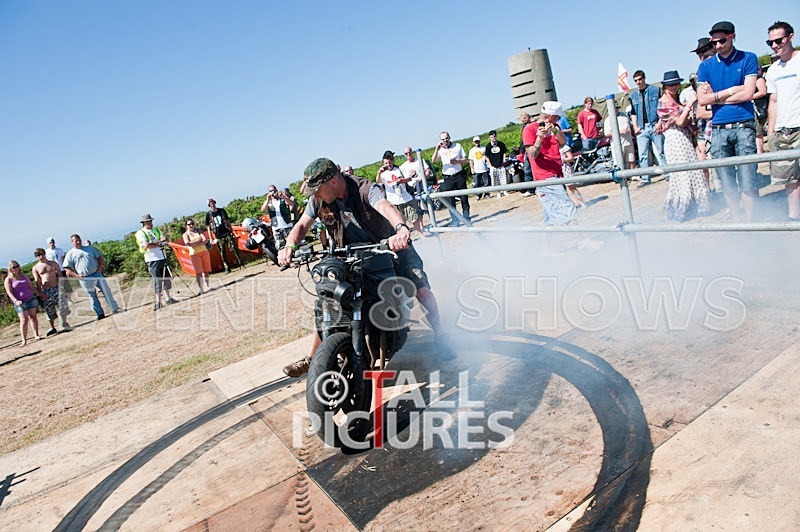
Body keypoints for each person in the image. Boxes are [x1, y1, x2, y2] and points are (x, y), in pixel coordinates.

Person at [277, 158, 449, 377]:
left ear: (332, 182)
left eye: (317, 190)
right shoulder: (318, 200)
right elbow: (302, 224)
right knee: (328, 300)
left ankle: (441, 335)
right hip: (349, 257)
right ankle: (312, 358)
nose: (315, 195)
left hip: (389, 249)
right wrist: (290, 245)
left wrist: (401, 229)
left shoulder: (364, 189)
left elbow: (385, 206)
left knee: (421, 289)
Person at [697, 20, 760, 222]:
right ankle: (738, 221)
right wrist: (732, 90)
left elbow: (749, 93)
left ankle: (750, 222)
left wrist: (716, 97)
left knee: (748, 178)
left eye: (722, 41)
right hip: (718, 128)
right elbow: (702, 100)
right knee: (726, 180)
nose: (717, 45)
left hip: (744, 125)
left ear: (732, 36)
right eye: (714, 42)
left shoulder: (748, 58)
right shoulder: (705, 66)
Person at [523, 101, 600, 255]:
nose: (558, 119)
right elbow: (532, 154)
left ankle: (545, 249)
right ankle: (582, 241)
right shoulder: (529, 129)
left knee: (550, 218)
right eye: (557, 117)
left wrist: (555, 131)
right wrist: (539, 138)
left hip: (557, 175)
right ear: (550, 116)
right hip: (545, 178)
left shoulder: (555, 126)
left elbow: (563, 142)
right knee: (567, 208)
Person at [657, 70, 711, 222]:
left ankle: (697, 206)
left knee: (693, 172)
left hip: (685, 138)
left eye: (676, 84)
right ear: (664, 86)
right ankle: (682, 209)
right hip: (676, 140)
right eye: (670, 85)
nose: (674, 87)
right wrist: (689, 104)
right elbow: (680, 121)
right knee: (683, 175)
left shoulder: (675, 100)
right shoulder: (663, 102)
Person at [765, 20, 800, 220]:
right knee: (789, 179)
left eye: (779, 40)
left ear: (790, 37)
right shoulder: (773, 70)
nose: (774, 45)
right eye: (770, 42)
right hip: (782, 131)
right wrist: (771, 132)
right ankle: (794, 217)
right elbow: (774, 101)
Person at [62, 234, 120, 320]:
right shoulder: (70, 254)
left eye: (79, 240)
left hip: (96, 274)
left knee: (106, 291)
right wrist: (77, 276)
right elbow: (66, 268)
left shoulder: (89, 248)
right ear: (72, 242)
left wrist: (99, 268)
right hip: (84, 278)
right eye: (76, 241)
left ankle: (114, 309)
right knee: (92, 296)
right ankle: (100, 313)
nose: (78, 242)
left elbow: (99, 256)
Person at [629, 71, 667, 185]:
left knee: (661, 152)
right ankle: (645, 179)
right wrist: (635, 126)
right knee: (642, 155)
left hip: (655, 124)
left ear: (644, 78)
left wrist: (660, 123)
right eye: (635, 80)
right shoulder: (633, 96)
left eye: (640, 79)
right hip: (641, 128)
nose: (638, 82)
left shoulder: (655, 90)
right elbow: (633, 112)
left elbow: (662, 107)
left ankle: (668, 174)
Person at [136, 214, 177, 311]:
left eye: (151, 221)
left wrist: (155, 243)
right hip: (151, 259)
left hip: (162, 256)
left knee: (166, 278)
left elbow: (164, 239)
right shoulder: (141, 233)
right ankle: (158, 302)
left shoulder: (156, 230)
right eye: (148, 221)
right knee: (157, 280)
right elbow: (146, 245)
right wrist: (158, 243)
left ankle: (168, 298)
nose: (150, 223)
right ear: (144, 223)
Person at [377, 150, 423, 234]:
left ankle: (422, 234)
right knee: (401, 223)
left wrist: (401, 180)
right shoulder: (382, 174)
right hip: (393, 202)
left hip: (405, 199)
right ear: (383, 163)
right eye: (386, 163)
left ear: (393, 161)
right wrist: (379, 173)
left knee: (414, 218)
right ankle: (407, 238)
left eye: (390, 162)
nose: (388, 165)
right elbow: (378, 182)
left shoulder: (398, 169)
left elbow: (409, 179)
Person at [432, 131, 470, 224]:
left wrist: (457, 161)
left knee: (464, 198)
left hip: (459, 175)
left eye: (446, 138)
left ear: (449, 138)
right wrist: (436, 149)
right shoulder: (440, 149)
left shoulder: (457, 146)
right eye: (443, 139)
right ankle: (455, 220)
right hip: (447, 177)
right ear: (440, 140)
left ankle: (466, 218)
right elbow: (433, 160)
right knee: (450, 200)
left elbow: (465, 159)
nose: (445, 140)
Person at [32, 248, 71, 335]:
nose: (41, 257)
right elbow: (37, 281)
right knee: (49, 309)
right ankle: (52, 327)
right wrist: (40, 293)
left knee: (62, 306)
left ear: (45, 254)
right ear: (36, 257)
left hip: (57, 287)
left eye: (42, 254)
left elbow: (60, 275)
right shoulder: (35, 268)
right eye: (38, 255)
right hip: (46, 291)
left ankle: (64, 323)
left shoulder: (53, 263)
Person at [4, 260, 42, 346]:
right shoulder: (9, 279)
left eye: (17, 266)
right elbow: (9, 292)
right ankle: (24, 340)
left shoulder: (24, 275)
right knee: (24, 320)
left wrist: (39, 293)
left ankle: (36, 335)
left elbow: (31, 286)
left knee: (33, 316)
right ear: (10, 269)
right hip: (20, 302)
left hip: (30, 298)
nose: (16, 268)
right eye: (13, 267)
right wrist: (15, 301)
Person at [205, 198, 242, 273]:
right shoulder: (208, 214)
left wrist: (231, 231)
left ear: (215, 202)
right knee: (222, 252)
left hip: (226, 232)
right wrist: (211, 238)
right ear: (209, 205)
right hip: (218, 236)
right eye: (210, 203)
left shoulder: (222, 211)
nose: (212, 204)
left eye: (212, 202)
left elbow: (227, 221)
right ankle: (227, 267)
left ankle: (241, 263)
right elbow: (208, 227)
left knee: (234, 249)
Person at [604, 102, 637, 170]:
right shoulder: (608, 120)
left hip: (628, 142)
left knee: (631, 160)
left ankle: (633, 174)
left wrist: (634, 136)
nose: (616, 110)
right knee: (619, 163)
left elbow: (630, 126)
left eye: (616, 108)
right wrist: (619, 132)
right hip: (617, 145)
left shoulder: (624, 115)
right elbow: (607, 134)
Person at [182, 218, 212, 294]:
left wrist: (195, 243)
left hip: (204, 251)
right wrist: (199, 241)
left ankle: (207, 286)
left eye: (192, 223)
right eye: (189, 224)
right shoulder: (185, 234)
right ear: (186, 226)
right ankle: (201, 289)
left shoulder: (198, 231)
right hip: (194, 254)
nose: (191, 225)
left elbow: (205, 240)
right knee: (198, 272)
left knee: (206, 270)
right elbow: (188, 243)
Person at [484, 130, 509, 199]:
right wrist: (490, 166)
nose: (493, 138)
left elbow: (504, 152)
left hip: (501, 164)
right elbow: (486, 157)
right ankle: (498, 192)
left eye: (494, 137)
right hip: (493, 166)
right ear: (489, 138)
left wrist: (504, 161)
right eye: (492, 137)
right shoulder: (488, 146)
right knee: (495, 180)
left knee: (503, 179)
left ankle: (505, 191)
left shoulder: (501, 144)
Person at [753, 65, 770, 154]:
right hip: (756, 108)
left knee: (758, 131)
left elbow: (763, 92)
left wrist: (748, 96)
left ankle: (760, 151)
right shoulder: (753, 79)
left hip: (759, 108)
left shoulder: (759, 79)